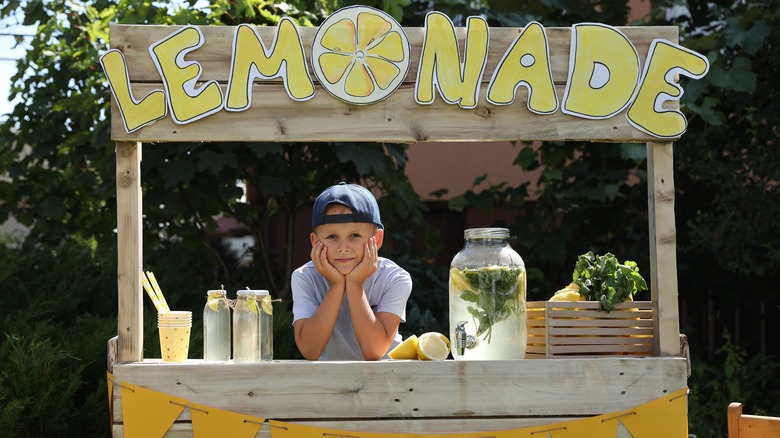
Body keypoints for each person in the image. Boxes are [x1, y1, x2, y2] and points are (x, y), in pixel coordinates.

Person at [291, 182, 413, 361]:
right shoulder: (305, 277)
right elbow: (310, 350)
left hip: (387, 379)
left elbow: (375, 351)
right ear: (314, 241)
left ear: (377, 239)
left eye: (355, 236)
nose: (343, 247)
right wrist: (336, 285)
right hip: (331, 382)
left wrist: (355, 284)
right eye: (332, 237)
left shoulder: (395, 278)